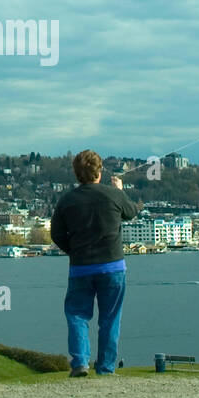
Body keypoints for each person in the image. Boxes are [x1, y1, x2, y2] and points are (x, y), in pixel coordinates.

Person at [49, 150, 140, 377]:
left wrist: (75, 251)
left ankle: (80, 362)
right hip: (113, 267)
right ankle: (106, 368)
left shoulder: (67, 201)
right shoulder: (113, 195)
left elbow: (56, 234)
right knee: (110, 318)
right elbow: (131, 212)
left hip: (81, 267)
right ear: (99, 171)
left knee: (77, 314)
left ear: (77, 174)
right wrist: (120, 191)